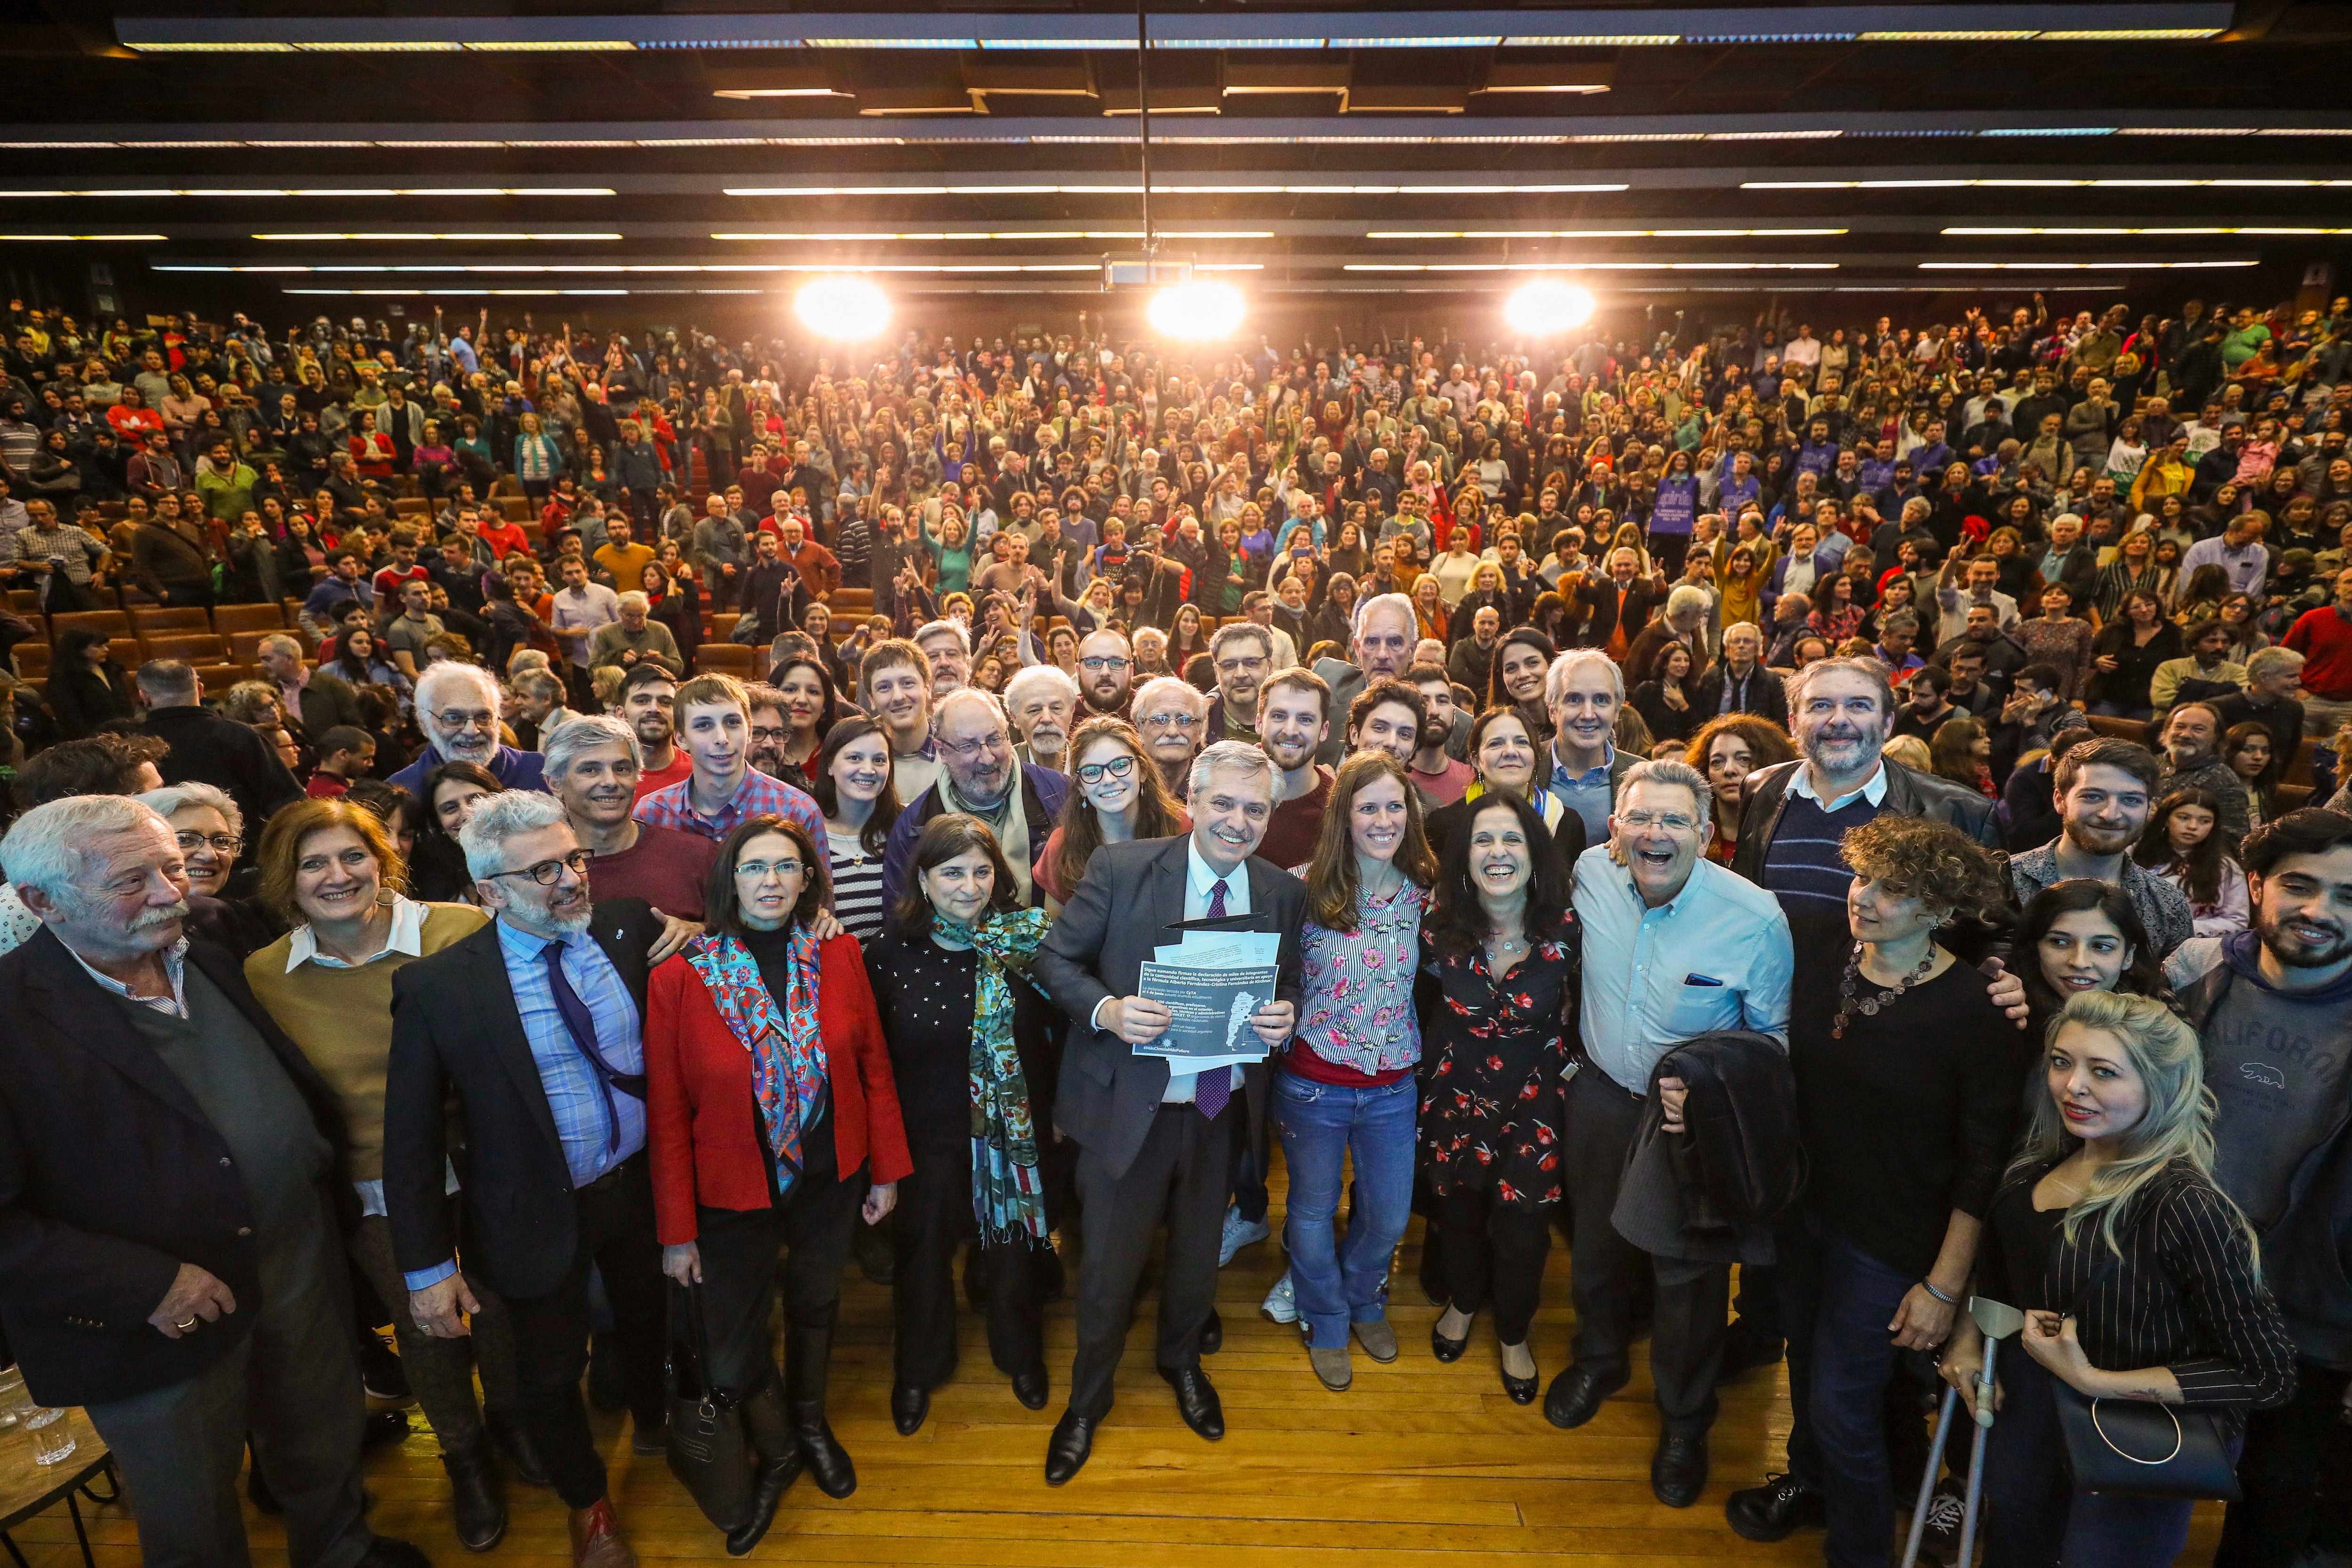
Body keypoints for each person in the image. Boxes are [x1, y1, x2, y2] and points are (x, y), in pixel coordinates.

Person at [0, 795, 428, 1568]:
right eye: (135, 880)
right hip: (161, 1315)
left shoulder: (210, 944)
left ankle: (339, 1547)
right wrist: (143, 1284)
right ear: (41, 901)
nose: (173, 891)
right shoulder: (10, 1017)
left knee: (321, 1431)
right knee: (190, 1501)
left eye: (173, 867)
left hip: (297, 1259)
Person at [383, 790, 670, 1568]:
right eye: (544, 869)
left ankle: (656, 1420)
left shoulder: (623, 927)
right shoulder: (439, 988)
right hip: (530, 1212)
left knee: (651, 1317)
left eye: (574, 858)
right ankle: (590, 1505)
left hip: (641, 1191)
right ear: (489, 890)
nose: (571, 878)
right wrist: (427, 1267)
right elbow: (408, 1141)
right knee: (548, 1372)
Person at [243, 798, 530, 1552]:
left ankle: (511, 1424)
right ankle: (465, 1457)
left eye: (352, 856)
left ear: (382, 858)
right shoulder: (266, 975)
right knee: (426, 1325)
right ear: (286, 878)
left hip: (483, 1166)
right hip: (375, 1186)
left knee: (501, 1307)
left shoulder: (457, 930)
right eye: (313, 863)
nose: (337, 876)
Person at [1032, 740, 1305, 1484]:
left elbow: (1288, 984)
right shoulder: (1123, 870)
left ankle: (1181, 1363)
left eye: (1255, 808)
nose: (1237, 821)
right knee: (1108, 1270)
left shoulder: (1281, 891)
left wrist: (1286, 1014)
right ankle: (1087, 1401)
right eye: (1223, 803)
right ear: (1195, 798)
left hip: (1218, 1111)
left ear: (1270, 815)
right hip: (1129, 1110)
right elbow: (1054, 962)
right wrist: (1110, 1009)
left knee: (1194, 1261)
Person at [1753, 813, 2019, 1565]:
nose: (1863, 897)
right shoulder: (1820, 949)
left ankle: (1860, 1551)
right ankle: (1811, 1489)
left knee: (1843, 1407)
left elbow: (1982, 1165)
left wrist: (1943, 1285)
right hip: (1806, 1215)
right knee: (1805, 1375)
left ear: (1940, 911)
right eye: (1864, 876)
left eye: (1894, 890)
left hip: (1892, 1243)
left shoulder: (1975, 1011)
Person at [1947, 991, 2295, 1566]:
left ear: (2159, 1086)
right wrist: (1965, 1338)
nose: (2071, 1086)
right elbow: (2002, 1279)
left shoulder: (2183, 1204)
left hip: (2130, 1443)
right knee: (2014, 1545)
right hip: (2028, 1421)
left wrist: (2092, 1380)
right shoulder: (2034, 1165)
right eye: (2061, 1062)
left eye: (2102, 1072)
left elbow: (2265, 1374)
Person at [644, 814, 909, 1533]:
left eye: (787, 867)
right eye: (756, 866)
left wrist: (885, 1172)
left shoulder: (839, 955)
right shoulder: (679, 976)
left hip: (830, 1175)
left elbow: (872, 1067)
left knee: (818, 1305)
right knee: (733, 1340)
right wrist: (676, 1233)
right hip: (730, 1190)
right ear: (730, 880)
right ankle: (779, 1449)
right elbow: (667, 1112)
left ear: (807, 879)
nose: (772, 881)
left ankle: (812, 1423)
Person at [1556, 759, 1794, 1505]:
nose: (1655, 832)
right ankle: (1599, 1358)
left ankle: (1686, 1420)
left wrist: (1708, 1093)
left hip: (1689, 1128)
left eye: (1674, 820)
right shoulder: (1590, 874)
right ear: (1616, 830)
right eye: (1640, 819)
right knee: (1593, 1249)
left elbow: (1775, 1044)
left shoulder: (1755, 917)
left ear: (1706, 831)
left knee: (1687, 1281)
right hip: (1599, 1098)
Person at [2164, 811, 2352, 1566]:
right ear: (2257, 885)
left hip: (2309, 1304)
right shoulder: (2193, 981)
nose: (2320, 911)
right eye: (2300, 886)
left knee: (2275, 1490)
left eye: (2347, 895)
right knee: (2138, 1472)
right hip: (2175, 1284)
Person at [867, 815, 1064, 1429]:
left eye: (982, 871)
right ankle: (920, 1368)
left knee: (1011, 1253)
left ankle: (1021, 1353)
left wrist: (1058, 1116)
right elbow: (871, 1058)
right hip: (926, 1137)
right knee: (922, 1257)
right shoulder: (888, 955)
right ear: (923, 880)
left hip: (1012, 1137)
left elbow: (1062, 1034)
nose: (969, 886)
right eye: (952, 872)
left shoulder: (1027, 943)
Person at [1275, 752, 1439, 1391]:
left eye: (1394, 805)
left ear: (1410, 814)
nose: (1382, 818)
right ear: (1344, 815)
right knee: (1312, 1211)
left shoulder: (1425, 895)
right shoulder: (1302, 888)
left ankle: (1364, 1296)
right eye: (1368, 806)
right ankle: (1325, 1315)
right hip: (1314, 1084)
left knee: (1389, 1216)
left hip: (1392, 1085)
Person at [1419, 787, 1578, 1407]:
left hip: (1535, 1104)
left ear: (1535, 854)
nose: (1498, 852)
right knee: (1456, 1214)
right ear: (1464, 857)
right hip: (1456, 1100)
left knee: (1523, 1232)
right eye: (1483, 839)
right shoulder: (1439, 930)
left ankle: (1514, 1332)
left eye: (1512, 838)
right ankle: (1462, 1302)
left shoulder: (1568, 928)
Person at [882, 687, 1070, 909]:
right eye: (968, 746)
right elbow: (903, 918)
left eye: (995, 739)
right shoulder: (915, 827)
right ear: (941, 751)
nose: (988, 758)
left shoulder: (1060, 795)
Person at [2007, 737, 2195, 956]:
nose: (2111, 815)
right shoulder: (2004, 882)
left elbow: (2175, 988)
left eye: (2131, 800)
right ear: (2060, 800)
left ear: (2149, 809)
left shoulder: (2167, 904)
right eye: (2093, 797)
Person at [544, 715, 716, 936]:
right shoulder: (540, 874)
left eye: (622, 769)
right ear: (555, 783)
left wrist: (703, 933)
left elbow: (744, 939)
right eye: (590, 770)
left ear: (637, 776)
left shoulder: (697, 856)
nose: (610, 782)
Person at [633, 672, 826, 848]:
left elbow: (816, 887)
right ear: (681, 739)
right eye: (704, 725)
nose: (722, 738)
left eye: (732, 723)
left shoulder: (797, 810)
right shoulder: (653, 813)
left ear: (749, 731)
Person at [1035, 715, 1188, 907]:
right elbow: (1059, 931)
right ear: (1080, 787)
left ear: (1143, 772)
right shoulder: (1061, 846)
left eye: (1121, 765)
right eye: (1092, 772)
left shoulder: (1183, 827)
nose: (1108, 780)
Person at [137, 660, 305, 833]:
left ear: (144, 697)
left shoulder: (130, 745)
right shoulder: (240, 736)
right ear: (201, 690)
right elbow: (290, 805)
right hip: (240, 852)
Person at [2014, 878, 2174, 1051]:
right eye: (2060, 942)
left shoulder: (2162, 1019)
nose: (2079, 962)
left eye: (2101, 947)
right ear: (2034, 948)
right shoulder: (2011, 1010)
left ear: (2129, 956)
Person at [389, 661, 548, 794]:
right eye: (453, 718)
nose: (472, 731)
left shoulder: (540, 772)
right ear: (424, 724)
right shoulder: (402, 792)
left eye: (484, 717)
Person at [812, 717, 902, 942]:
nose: (869, 770)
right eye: (855, 758)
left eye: (879, 760)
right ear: (830, 765)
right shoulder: (808, 835)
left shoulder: (905, 830)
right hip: (836, 972)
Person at [1541, 650, 1640, 843]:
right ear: (1553, 711)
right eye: (1574, 699)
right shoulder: (1524, 767)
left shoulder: (1642, 775)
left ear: (1617, 711)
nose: (1588, 714)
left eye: (1601, 700)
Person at [1684, 713, 1796, 868]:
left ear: (1770, 764)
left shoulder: (1789, 836)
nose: (1729, 770)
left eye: (1744, 759)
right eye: (1717, 762)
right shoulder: (1690, 835)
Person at [2136, 787, 2252, 936]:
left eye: (2205, 821)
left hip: (2195, 947)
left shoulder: (2226, 867)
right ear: (2166, 819)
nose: (2193, 827)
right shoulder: (2137, 853)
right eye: (2184, 818)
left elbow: (2237, 922)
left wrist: (2182, 928)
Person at [404, 760, 501, 903]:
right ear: (439, 825)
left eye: (477, 799)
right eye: (450, 808)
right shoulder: (431, 886)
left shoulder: (536, 853)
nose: (467, 813)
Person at [2158, 700, 2254, 843]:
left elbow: (2233, 838)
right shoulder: (2149, 765)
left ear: (2216, 738)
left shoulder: (2224, 782)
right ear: (2167, 732)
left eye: (2198, 729)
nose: (2185, 735)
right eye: (2180, 726)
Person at [860, 638, 942, 803]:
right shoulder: (857, 759)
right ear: (871, 699)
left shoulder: (957, 752)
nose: (898, 697)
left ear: (928, 687)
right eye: (884, 687)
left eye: (907, 683)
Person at [1132, 675, 1211, 802]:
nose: (1173, 731)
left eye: (1185, 720)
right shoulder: (1124, 788)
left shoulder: (1212, 788)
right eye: (1160, 720)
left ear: (1200, 730)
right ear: (1140, 728)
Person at [1004, 662, 1079, 771]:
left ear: (1072, 711)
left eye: (1056, 709)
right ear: (1014, 717)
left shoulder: (1090, 762)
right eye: (1034, 710)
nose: (1047, 719)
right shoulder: (1005, 768)